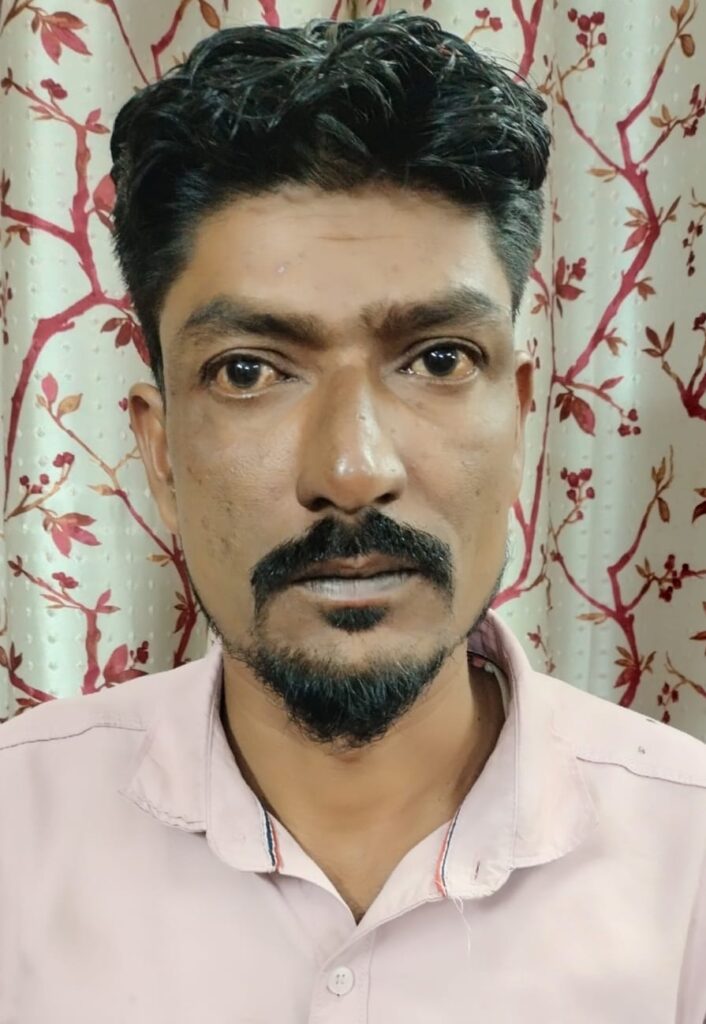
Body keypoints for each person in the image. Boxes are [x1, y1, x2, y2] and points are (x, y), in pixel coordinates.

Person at [1, 11, 705, 1022]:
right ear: (159, 450)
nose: (351, 470)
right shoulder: (17, 839)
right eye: (249, 372)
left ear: (520, 416)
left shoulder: (687, 864)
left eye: (437, 359)